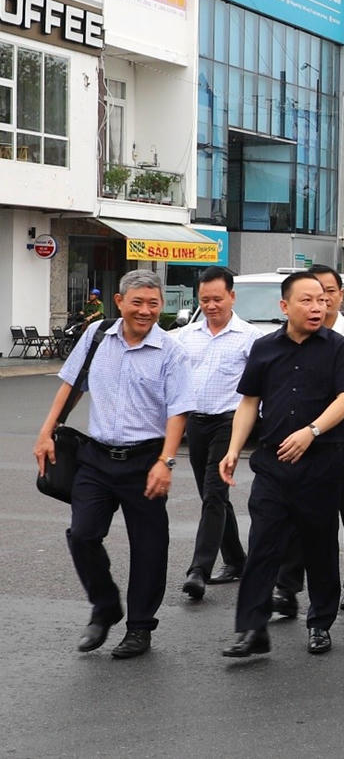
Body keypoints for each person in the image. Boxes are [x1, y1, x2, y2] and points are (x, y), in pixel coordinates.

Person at [34, 270, 194, 659]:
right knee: (83, 534)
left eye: (153, 304)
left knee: (150, 547)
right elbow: (71, 386)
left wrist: (166, 462)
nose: (145, 311)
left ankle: (140, 628)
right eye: (137, 302)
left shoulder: (171, 351)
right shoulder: (96, 336)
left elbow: (180, 411)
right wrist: (46, 431)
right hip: (96, 458)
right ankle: (105, 605)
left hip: (146, 460)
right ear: (119, 302)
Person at [218, 271, 344, 659]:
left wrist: (310, 432)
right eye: (307, 300)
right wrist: (233, 450)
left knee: (319, 547)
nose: (317, 307)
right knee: (262, 546)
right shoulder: (264, 348)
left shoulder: (338, 348)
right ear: (285, 306)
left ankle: (319, 624)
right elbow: (249, 401)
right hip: (272, 466)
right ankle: (251, 629)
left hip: (321, 464)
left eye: (322, 300)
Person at [274, 265, 344, 615]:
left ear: (340, 296)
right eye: (313, 293)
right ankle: (288, 586)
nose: (321, 300)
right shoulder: (295, 335)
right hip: (301, 432)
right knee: (296, 508)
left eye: (329, 292)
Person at [173, 266, 255, 601]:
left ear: (232, 297)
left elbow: (260, 388)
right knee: (213, 496)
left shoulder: (250, 338)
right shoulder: (186, 335)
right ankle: (236, 560)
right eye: (204, 299)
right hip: (197, 422)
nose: (211, 305)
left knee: (213, 493)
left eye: (217, 299)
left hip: (229, 423)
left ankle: (199, 570)